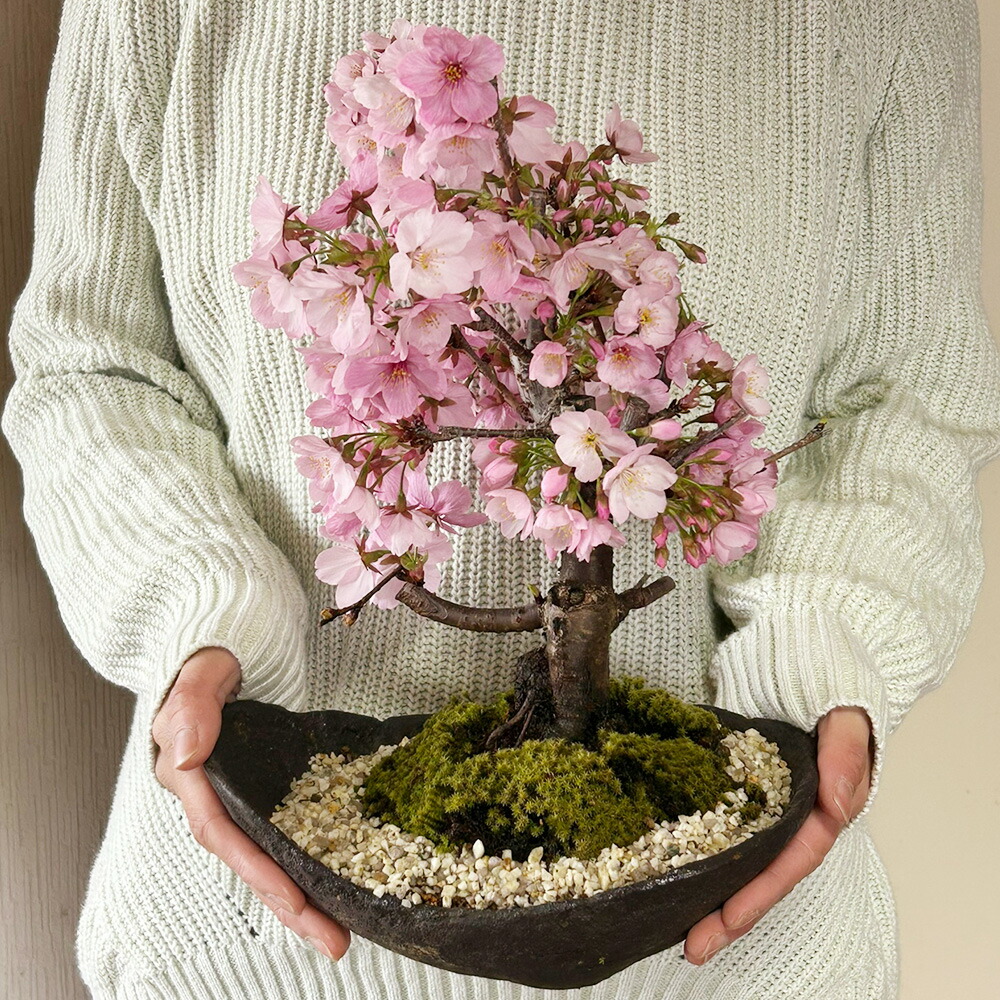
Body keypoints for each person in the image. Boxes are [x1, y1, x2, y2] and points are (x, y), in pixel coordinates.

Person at [3, 1, 999, 997]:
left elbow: (906, 394)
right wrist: (199, 614)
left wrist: (813, 664)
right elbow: (96, 365)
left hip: (728, 939)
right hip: (254, 942)